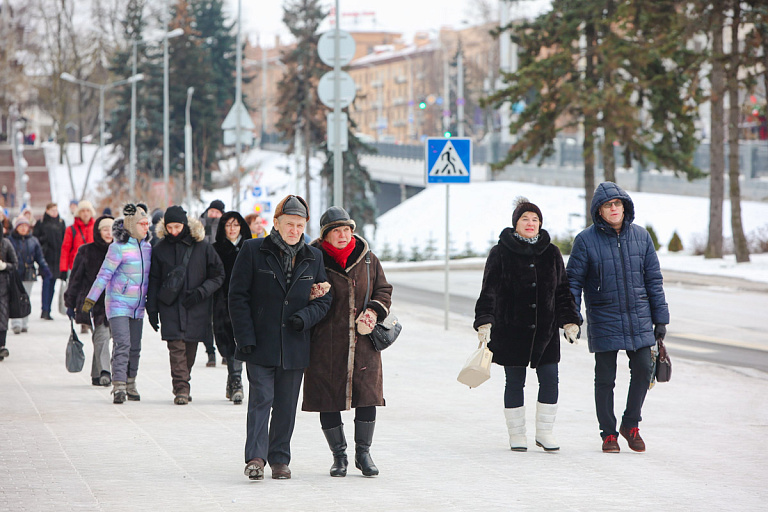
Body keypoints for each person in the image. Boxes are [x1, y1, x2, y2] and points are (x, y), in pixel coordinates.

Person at [229, 195, 332, 481]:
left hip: (295, 344)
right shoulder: (253, 250)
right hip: (259, 343)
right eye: (289, 224)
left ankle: (279, 459)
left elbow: (325, 298)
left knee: (286, 406)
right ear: (276, 223)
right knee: (261, 399)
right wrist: (244, 337)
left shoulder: (314, 257)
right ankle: (255, 458)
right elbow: (237, 297)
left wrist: (305, 318)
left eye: (300, 225)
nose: (295, 230)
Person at [566, 182, 669, 453]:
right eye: (607, 205)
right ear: (599, 211)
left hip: (639, 316)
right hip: (604, 315)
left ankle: (630, 424)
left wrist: (660, 318)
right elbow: (572, 282)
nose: (613, 209)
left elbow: (654, 281)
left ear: (625, 207)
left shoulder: (641, 237)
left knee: (644, 370)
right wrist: (572, 317)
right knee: (605, 378)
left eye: (617, 204)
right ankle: (608, 434)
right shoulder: (585, 240)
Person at [474, 198, 580, 452]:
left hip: (546, 332)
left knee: (550, 379)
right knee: (514, 381)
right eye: (525, 219)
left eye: (535, 219)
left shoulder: (552, 252)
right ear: (516, 224)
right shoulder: (500, 252)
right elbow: (489, 290)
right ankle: (517, 434)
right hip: (512, 330)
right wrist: (485, 321)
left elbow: (563, 290)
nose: (530, 223)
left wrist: (570, 321)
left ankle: (545, 432)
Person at [303, 206, 393, 477]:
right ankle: (339, 456)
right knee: (328, 398)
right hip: (324, 343)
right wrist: (310, 293)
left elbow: (384, 289)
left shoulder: (368, 259)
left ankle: (363, 454)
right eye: (336, 231)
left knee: (367, 396)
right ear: (325, 235)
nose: (343, 235)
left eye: (346, 230)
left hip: (363, 342)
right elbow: (296, 289)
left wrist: (374, 310)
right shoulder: (312, 258)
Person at [146, 206, 224, 405]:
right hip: (170, 306)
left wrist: (201, 292)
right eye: (170, 227)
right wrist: (152, 309)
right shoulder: (160, 249)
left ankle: (183, 382)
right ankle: (181, 388)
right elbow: (154, 280)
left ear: (185, 225)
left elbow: (218, 275)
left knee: (189, 349)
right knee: (176, 348)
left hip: (196, 306)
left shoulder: (203, 247)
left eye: (177, 226)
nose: (174, 231)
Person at [83, 204, 152, 404]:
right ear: (132, 225)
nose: (147, 227)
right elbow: (104, 274)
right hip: (118, 303)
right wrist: (91, 298)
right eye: (143, 224)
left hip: (138, 305)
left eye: (148, 224)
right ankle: (119, 385)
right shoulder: (117, 248)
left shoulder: (147, 247)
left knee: (135, 347)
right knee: (123, 344)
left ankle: (131, 383)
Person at [64, 215, 114, 386]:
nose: (109, 233)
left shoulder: (119, 250)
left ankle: (96, 374)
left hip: (115, 302)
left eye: (111, 229)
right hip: (93, 302)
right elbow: (75, 279)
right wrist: (70, 303)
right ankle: (105, 371)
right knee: (102, 335)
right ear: (98, 232)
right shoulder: (86, 251)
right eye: (105, 229)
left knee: (105, 337)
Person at [212, 211, 252, 404]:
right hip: (222, 301)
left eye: (236, 225)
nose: (232, 229)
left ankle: (236, 382)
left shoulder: (250, 248)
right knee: (226, 340)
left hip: (246, 301)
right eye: (228, 225)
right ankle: (234, 380)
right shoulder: (215, 249)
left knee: (240, 340)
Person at [9, 216, 51, 334]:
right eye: (20, 226)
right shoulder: (10, 240)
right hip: (14, 274)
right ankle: (16, 323)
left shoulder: (33, 241)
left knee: (25, 298)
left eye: (25, 226)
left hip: (28, 273)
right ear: (16, 227)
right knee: (15, 298)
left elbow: (40, 257)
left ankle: (24, 322)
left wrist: (45, 269)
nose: (23, 228)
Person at [33, 202, 66, 320]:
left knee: (52, 285)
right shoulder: (41, 223)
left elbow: (64, 240)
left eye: (56, 210)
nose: (54, 213)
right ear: (47, 211)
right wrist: (44, 242)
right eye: (52, 210)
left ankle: (48, 309)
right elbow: (35, 239)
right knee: (46, 283)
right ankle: (45, 310)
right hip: (46, 258)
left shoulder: (61, 223)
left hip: (57, 259)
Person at [0, 225, 18, 361]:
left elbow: (15, 263)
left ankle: (1, 345)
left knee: (2, 315)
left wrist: (5, 266)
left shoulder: (5, 244)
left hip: (3, 287)